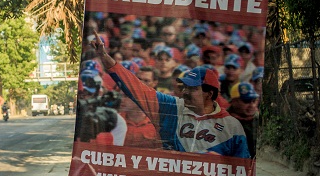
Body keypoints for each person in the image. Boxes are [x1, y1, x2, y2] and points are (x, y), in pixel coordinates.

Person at [92, 30, 250, 158]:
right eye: (185, 87)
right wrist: (105, 57)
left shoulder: (232, 126)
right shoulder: (171, 107)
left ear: (209, 94)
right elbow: (134, 87)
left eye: (193, 88)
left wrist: (216, 161)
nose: (185, 92)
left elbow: (242, 169)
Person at [228, 82, 260, 158]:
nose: (252, 105)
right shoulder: (223, 122)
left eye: (253, 100)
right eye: (246, 101)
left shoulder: (258, 121)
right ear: (234, 101)